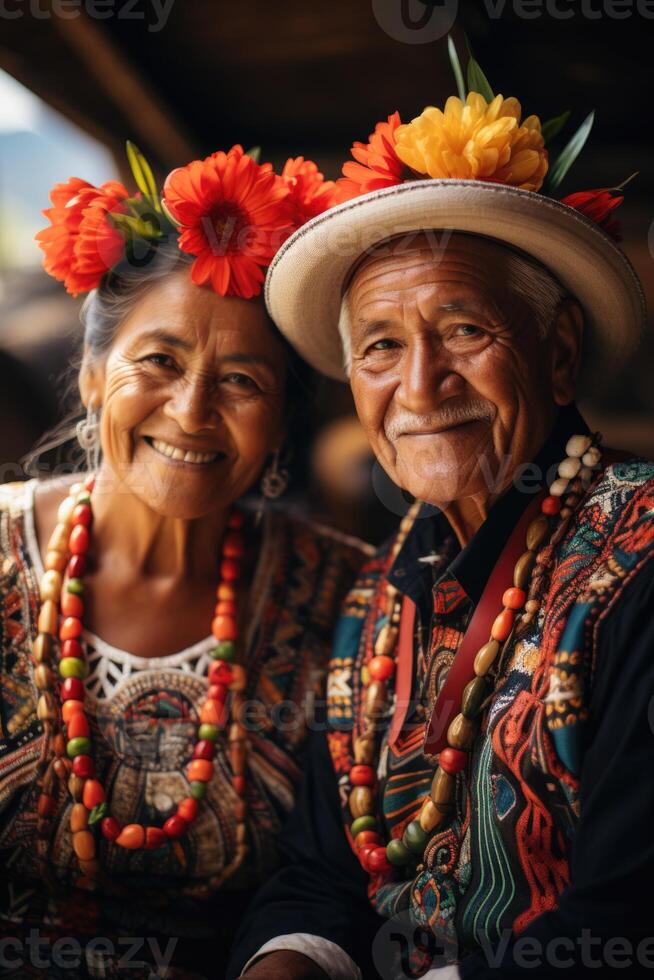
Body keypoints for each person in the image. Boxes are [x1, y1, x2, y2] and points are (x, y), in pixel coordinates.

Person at [227, 59, 654, 980]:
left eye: (466, 330)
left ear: (561, 354)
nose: (419, 387)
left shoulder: (644, 556)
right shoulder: (374, 603)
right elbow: (315, 873)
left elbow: (631, 914)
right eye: (381, 346)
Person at [0, 143, 371, 979]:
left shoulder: (349, 598)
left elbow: (335, 883)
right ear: (95, 376)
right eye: (159, 362)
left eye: (241, 380)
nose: (193, 411)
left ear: (281, 425)